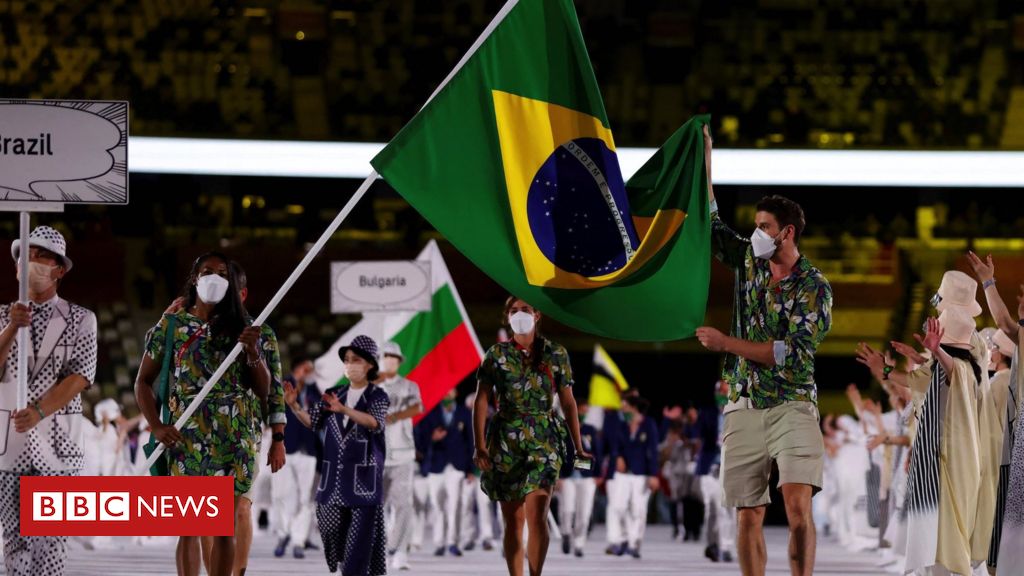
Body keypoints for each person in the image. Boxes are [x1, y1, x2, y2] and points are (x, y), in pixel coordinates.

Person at [695, 125, 832, 576]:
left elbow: (786, 352)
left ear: (786, 231)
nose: (755, 233)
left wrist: (725, 343)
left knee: (796, 508)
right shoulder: (749, 262)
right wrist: (706, 155)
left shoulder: (814, 287)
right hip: (744, 403)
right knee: (747, 511)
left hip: (793, 402)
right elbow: (710, 221)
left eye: (763, 227)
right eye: (755, 226)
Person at [135, 252, 270, 576]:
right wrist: (156, 426)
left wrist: (252, 352)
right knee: (190, 525)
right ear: (194, 278)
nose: (215, 278)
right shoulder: (172, 325)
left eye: (222, 273)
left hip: (233, 437)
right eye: (207, 271)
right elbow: (142, 382)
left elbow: (263, 389)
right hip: (187, 437)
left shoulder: (242, 326)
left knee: (223, 525)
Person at [0, 226, 97, 576]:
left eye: (42, 256)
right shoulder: (0, 318)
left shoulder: (82, 319)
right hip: (10, 445)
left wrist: (39, 411)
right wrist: (11, 328)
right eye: (26, 255)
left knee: (53, 537)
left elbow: (80, 375)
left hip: (58, 445)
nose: (32, 262)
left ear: (60, 269)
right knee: (15, 538)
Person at [473, 296, 591, 576]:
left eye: (525, 310)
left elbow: (568, 402)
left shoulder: (555, 353)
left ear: (537, 315)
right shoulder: (496, 354)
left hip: (544, 438)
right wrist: (479, 445)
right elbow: (481, 400)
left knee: (537, 517)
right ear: (507, 316)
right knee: (513, 522)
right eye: (514, 311)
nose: (519, 314)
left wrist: (579, 446)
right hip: (505, 440)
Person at [285, 335, 389, 575]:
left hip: (364, 485)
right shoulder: (333, 394)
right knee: (337, 546)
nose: (350, 364)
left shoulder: (377, 396)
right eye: (347, 360)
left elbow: (375, 423)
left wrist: (344, 410)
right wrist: (295, 407)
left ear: (370, 365)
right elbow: (313, 422)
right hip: (333, 486)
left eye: (356, 360)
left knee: (357, 556)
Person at [377, 341, 423, 571]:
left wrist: (394, 416)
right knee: (376, 506)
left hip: (403, 454)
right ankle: (380, 550)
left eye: (394, 357)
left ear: (399, 361)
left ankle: (399, 551)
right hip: (377, 455)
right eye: (387, 357)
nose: (390, 360)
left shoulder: (409, 386)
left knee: (403, 504)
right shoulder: (371, 387)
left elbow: (417, 408)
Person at [272, 356, 320, 560]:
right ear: (298, 368)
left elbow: (319, 415)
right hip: (286, 447)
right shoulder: (281, 386)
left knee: (304, 499)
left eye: (312, 370)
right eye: (306, 369)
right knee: (283, 496)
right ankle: (284, 534)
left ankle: (299, 540)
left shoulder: (314, 390)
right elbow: (272, 412)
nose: (310, 373)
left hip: (308, 451)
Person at [418, 387, 473, 557]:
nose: (448, 393)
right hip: (436, 465)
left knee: (455, 504)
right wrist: (432, 438)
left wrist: (470, 469)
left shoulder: (464, 412)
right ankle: (439, 541)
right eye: (445, 390)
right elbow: (420, 438)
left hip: (456, 466)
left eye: (451, 391)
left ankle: (452, 542)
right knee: (437, 504)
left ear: (456, 393)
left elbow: (472, 440)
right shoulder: (431, 412)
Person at [608, 395, 660, 558]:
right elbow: (615, 446)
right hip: (623, 474)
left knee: (638, 510)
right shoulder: (621, 425)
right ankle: (623, 538)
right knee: (618, 507)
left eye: (624, 407)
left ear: (633, 407)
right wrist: (618, 457)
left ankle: (634, 543)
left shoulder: (648, 424)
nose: (622, 410)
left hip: (642, 474)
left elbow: (653, 450)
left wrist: (653, 475)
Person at [557, 400, 601, 557]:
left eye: (584, 411)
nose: (582, 414)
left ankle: (579, 543)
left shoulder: (590, 430)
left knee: (584, 512)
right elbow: (558, 453)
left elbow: (598, 452)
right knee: (567, 509)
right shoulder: (563, 428)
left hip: (585, 475)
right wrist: (558, 476)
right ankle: (566, 533)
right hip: (568, 475)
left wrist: (598, 474)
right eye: (580, 411)